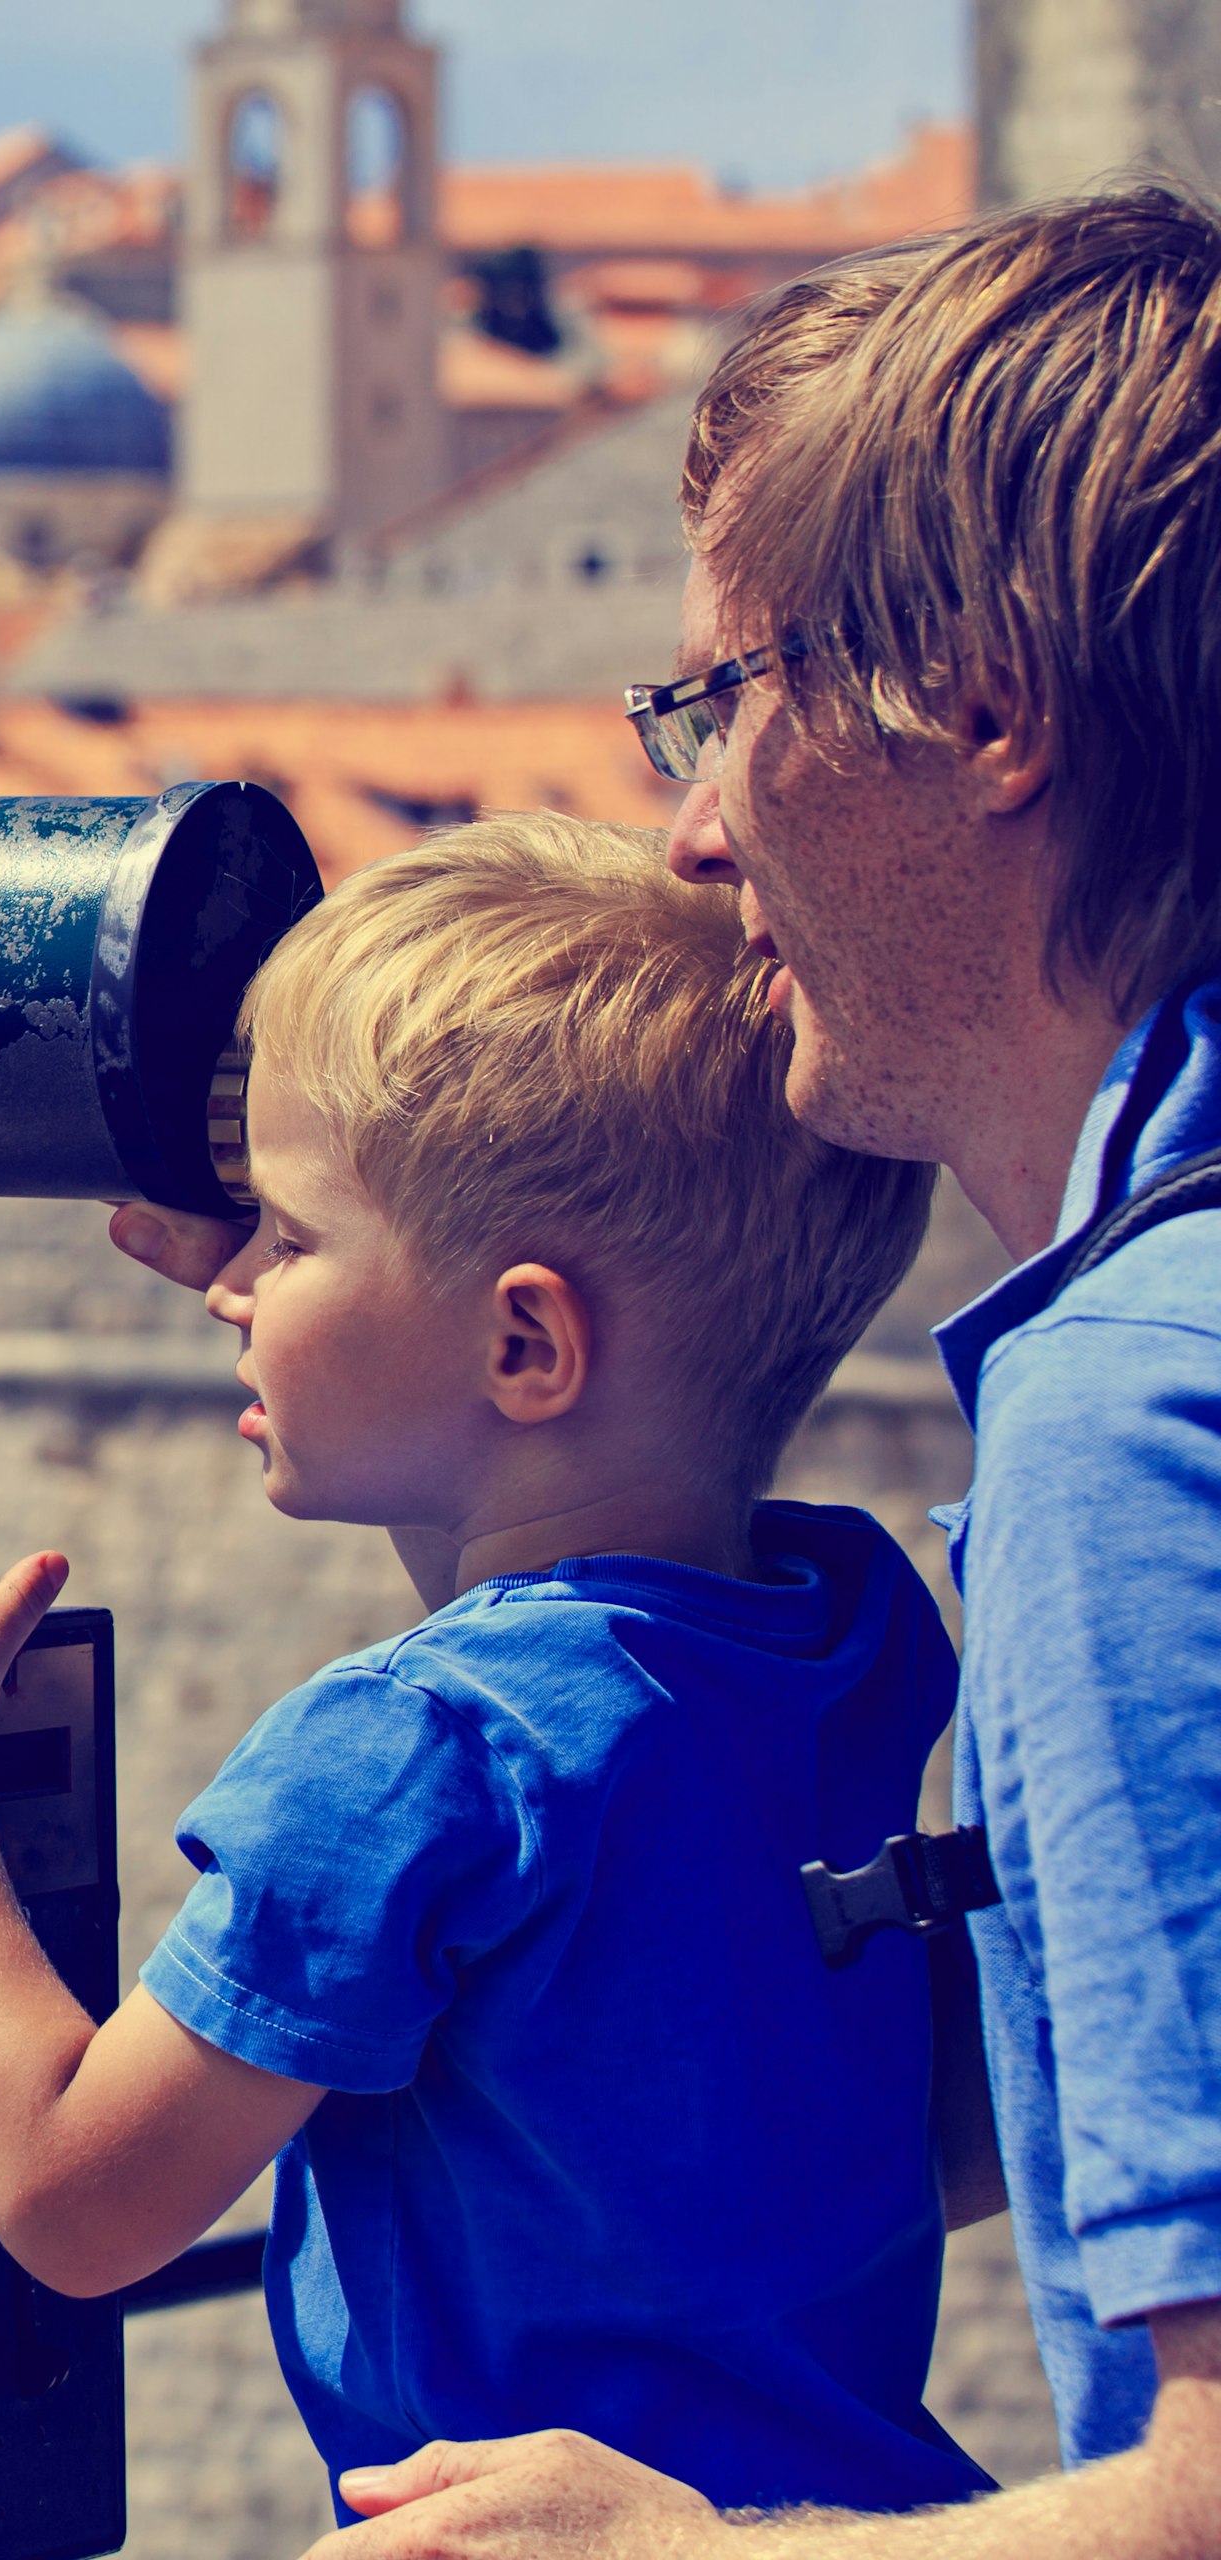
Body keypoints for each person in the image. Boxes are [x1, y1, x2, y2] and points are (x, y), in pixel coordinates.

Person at [110, 185, 1221, 2557]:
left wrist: (702, 2556)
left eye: (726, 703)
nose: (697, 827)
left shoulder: (1136, 1423)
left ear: (988, 712)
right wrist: (348, 1269)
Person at [0, 817, 963, 2515]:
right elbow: (537, 1567)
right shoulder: (844, 1641)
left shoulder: (410, 1759)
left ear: (524, 1340)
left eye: (287, 1245)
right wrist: (343, 1284)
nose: (233, 1283)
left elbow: (79, 2198)